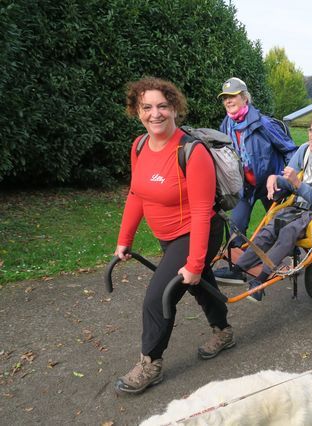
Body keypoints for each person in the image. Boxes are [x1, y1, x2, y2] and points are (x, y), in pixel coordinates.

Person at [113, 78, 233, 395]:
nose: (156, 114)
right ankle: (223, 331)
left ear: (174, 107)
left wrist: (194, 261)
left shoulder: (191, 153)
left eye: (162, 106)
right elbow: (136, 194)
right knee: (200, 286)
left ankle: (150, 363)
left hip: (198, 233)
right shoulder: (139, 146)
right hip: (169, 237)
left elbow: (200, 211)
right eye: (147, 107)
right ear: (137, 111)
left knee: (159, 296)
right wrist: (124, 239)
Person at [214, 113, 312, 301]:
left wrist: (296, 183)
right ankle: (239, 270)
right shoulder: (304, 149)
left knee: (287, 232)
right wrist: (275, 178)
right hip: (296, 205)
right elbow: (287, 181)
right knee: (268, 229)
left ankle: (260, 281)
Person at [218, 77, 298, 247]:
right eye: (225, 98)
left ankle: (292, 260)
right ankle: (240, 269)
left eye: (232, 96)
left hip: (270, 184)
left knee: (282, 226)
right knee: (235, 230)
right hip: (245, 186)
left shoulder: (264, 124)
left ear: (245, 98)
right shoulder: (226, 126)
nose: (228, 101)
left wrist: (285, 177)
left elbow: (290, 150)